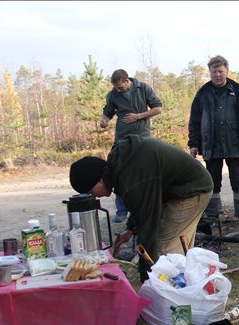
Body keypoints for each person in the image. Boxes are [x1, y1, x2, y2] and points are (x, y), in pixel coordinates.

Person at [69, 135, 213, 280]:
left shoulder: (131, 178)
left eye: (90, 191)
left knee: (164, 249)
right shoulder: (122, 167)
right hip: (178, 190)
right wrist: (130, 230)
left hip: (192, 190)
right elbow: (141, 206)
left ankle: (170, 292)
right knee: (175, 248)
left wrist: (146, 273)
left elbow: (148, 224)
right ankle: (182, 286)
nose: (94, 196)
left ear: (99, 180)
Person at [188, 55, 239, 228]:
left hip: (235, 143)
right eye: (214, 72)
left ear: (227, 71)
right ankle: (213, 216)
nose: (217, 75)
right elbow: (195, 120)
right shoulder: (203, 93)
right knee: (212, 181)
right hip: (211, 144)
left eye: (220, 71)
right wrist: (194, 143)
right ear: (210, 72)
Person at [100, 69, 163, 223]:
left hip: (143, 137)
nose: (118, 90)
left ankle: (148, 209)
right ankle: (121, 211)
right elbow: (108, 112)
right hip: (122, 139)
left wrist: (138, 116)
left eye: (120, 87)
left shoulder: (143, 88)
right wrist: (104, 120)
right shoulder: (113, 95)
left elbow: (158, 108)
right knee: (119, 173)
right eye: (115, 88)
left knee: (146, 173)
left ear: (127, 81)